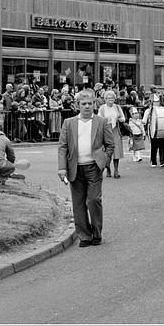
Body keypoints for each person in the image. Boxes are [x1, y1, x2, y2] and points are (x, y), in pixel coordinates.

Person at [57, 88, 114, 248]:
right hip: (75, 167)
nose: (87, 106)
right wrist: (62, 168)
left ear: (95, 104)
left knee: (94, 200)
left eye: (90, 103)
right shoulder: (69, 123)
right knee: (78, 203)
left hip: (93, 167)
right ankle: (84, 235)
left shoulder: (102, 122)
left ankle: (97, 232)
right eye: (84, 104)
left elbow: (110, 144)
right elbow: (62, 146)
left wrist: (104, 161)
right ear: (78, 105)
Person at [97, 90, 125, 178]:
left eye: (112, 98)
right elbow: (98, 120)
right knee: (107, 152)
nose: (111, 100)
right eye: (109, 98)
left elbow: (123, 117)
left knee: (116, 151)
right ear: (105, 99)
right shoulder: (102, 108)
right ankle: (108, 169)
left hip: (116, 130)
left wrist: (121, 119)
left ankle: (116, 171)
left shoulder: (117, 107)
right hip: (106, 131)